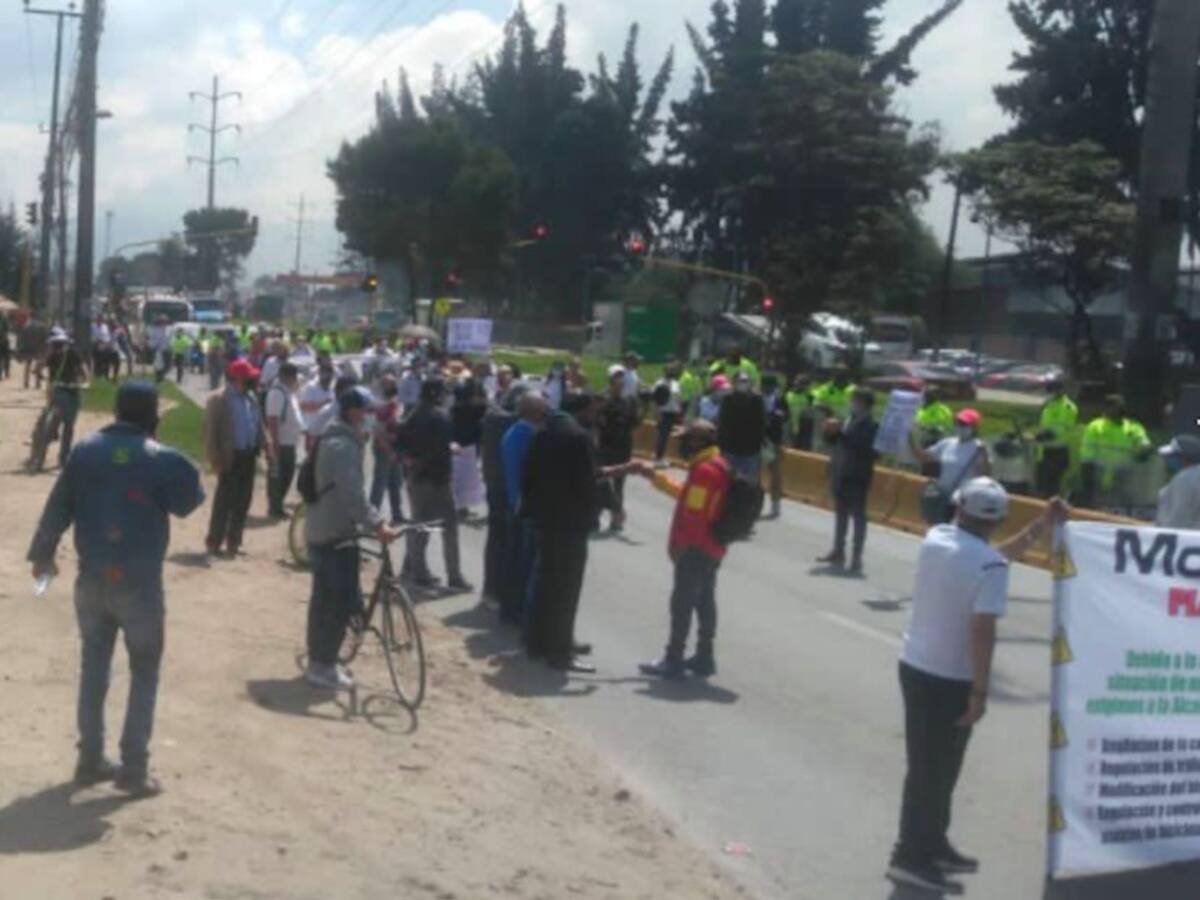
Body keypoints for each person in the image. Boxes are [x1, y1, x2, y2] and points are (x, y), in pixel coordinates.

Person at [27, 381, 205, 796]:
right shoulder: (161, 458)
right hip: (139, 584)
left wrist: (42, 554)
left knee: (94, 667)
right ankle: (133, 768)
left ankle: (90, 758)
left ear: (117, 411)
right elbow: (188, 500)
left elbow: (57, 507)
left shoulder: (84, 451)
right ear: (152, 417)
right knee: (144, 670)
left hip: (91, 578)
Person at [887, 479, 1065, 894]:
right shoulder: (988, 566)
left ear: (959, 508)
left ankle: (932, 844)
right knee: (932, 773)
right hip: (949, 679)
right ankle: (908, 858)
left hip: (916, 667)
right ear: (998, 519)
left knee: (937, 770)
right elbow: (982, 628)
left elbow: (990, 557)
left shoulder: (937, 539)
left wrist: (1040, 527)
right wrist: (980, 692)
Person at [524, 393, 633, 673]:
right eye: (594, 411)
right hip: (570, 525)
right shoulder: (578, 437)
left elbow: (530, 477)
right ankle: (560, 653)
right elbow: (588, 482)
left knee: (547, 583)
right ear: (582, 410)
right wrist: (612, 507)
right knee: (566, 590)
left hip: (546, 520)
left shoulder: (542, 433)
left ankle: (538, 642)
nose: (597, 417)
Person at [304, 386, 395, 691]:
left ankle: (320, 660)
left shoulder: (340, 439)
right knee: (336, 604)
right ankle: (323, 666)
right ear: (353, 412)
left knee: (324, 600)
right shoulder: (342, 447)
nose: (372, 417)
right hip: (335, 534)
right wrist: (377, 523)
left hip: (328, 529)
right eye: (368, 411)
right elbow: (353, 497)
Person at [639, 420, 731, 679]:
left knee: (682, 602)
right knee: (705, 600)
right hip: (713, 546)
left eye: (686, 439)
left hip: (696, 547)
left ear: (696, 442)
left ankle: (673, 657)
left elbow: (694, 515)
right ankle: (704, 656)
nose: (682, 445)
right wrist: (657, 479)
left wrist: (680, 546)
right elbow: (691, 497)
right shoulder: (718, 464)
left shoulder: (705, 471)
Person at [398, 378, 471, 591]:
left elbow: (401, 443)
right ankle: (453, 576)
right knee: (448, 527)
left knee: (419, 525)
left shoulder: (411, 414)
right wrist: (451, 448)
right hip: (437, 477)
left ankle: (413, 569)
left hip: (415, 477)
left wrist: (410, 461)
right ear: (436, 394)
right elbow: (440, 446)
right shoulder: (440, 416)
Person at [204, 358, 264, 558]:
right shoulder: (218, 400)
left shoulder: (251, 398)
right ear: (237, 378)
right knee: (224, 501)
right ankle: (214, 542)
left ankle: (234, 542)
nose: (252, 381)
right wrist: (215, 459)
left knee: (243, 501)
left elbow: (257, 424)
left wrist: (265, 444)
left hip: (248, 455)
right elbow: (211, 433)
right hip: (230, 456)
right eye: (248, 378)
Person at [817, 389, 879, 572]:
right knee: (840, 513)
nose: (852, 403)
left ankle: (857, 556)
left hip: (857, 475)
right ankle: (838, 550)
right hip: (840, 471)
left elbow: (863, 447)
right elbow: (835, 442)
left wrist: (841, 433)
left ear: (864, 403)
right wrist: (828, 431)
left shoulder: (872, 426)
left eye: (855, 400)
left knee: (858, 516)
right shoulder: (848, 420)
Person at [500, 390, 547, 626]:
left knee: (518, 559)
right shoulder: (526, 437)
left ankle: (511, 609)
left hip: (517, 505)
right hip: (523, 507)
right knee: (525, 562)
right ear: (534, 412)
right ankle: (520, 612)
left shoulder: (514, 433)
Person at [481, 384, 523, 605]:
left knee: (495, 538)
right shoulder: (510, 422)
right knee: (506, 541)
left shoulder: (491, 417)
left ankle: (491, 590)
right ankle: (499, 592)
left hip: (493, 483)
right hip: (505, 486)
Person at [910, 409, 992, 522]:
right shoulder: (947, 443)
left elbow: (984, 475)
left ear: (974, 427)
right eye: (958, 423)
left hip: (961, 499)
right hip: (942, 495)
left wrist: (984, 455)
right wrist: (911, 441)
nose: (960, 427)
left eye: (964, 424)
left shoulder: (978, 448)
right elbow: (925, 457)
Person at [32, 328, 89, 470]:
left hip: (70, 390)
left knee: (66, 427)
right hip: (61, 391)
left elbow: (83, 369)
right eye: (55, 343)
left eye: (59, 343)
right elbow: (38, 368)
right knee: (59, 426)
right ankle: (51, 457)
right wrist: (41, 371)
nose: (57, 346)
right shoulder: (53, 355)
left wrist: (85, 381)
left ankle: (59, 458)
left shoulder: (71, 353)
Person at [1079, 395, 1151, 509]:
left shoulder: (1133, 427)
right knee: (1099, 509)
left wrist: (1145, 448)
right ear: (1106, 409)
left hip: (1124, 476)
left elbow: (1143, 441)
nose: (1117, 411)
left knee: (1120, 508)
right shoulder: (1096, 426)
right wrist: (1087, 470)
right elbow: (1088, 450)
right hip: (1100, 476)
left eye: (1120, 408)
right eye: (1113, 408)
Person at [596, 365, 640, 531]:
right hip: (605, 446)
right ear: (610, 379)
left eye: (622, 376)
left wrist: (644, 408)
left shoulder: (629, 401)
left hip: (623, 447)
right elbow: (597, 421)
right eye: (616, 376)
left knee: (619, 485)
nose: (620, 379)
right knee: (601, 482)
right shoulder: (601, 399)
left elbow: (634, 423)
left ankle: (616, 518)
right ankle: (595, 515)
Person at [265, 363, 302, 519]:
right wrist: (275, 442)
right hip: (281, 443)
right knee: (278, 477)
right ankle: (275, 508)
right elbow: (273, 419)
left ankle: (278, 504)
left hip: (290, 442)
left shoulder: (288, 392)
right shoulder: (277, 393)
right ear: (288, 377)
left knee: (287, 475)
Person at [369, 374, 406, 525]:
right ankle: (372, 517)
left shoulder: (395, 403)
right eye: (388, 384)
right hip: (384, 448)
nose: (391, 387)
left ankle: (397, 514)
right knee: (380, 483)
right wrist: (388, 450)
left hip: (395, 448)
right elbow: (378, 431)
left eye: (393, 384)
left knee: (396, 482)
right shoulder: (380, 406)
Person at [717, 371, 766, 482]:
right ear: (734, 383)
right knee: (728, 482)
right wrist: (721, 444)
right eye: (740, 381)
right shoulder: (727, 399)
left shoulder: (757, 399)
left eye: (745, 381)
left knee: (748, 483)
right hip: (730, 448)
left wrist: (759, 442)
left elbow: (762, 423)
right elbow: (722, 422)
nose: (743, 384)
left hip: (751, 450)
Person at [1035, 381, 1078, 497]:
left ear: (1061, 390)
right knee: (1042, 485)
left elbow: (1060, 428)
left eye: (1054, 390)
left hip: (1058, 450)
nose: (1051, 393)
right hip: (1045, 449)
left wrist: (1041, 436)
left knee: (1053, 486)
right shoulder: (1050, 404)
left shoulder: (1067, 407)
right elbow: (1045, 424)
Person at [451, 378, 487, 517]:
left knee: (467, 478)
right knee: (459, 477)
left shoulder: (477, 408)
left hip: (470, 445)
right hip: (461, 444)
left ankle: (462, 506)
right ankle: (458, 506)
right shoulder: (460, 407)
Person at [761, 374, 790, 517]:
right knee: (754, 474)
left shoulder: (780, 400)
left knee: (776, 474)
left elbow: (786, 416)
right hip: (759, 440)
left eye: (771, 386)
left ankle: (775, 505)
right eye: (766, 385)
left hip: (774, 441)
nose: (769, 388)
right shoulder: (756, 398)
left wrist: (778, 415)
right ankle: (754, 503)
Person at [1156, 435, 1200, 529]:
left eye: (1172, 456)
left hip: (1184, 535)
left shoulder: (1184, 479)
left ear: (1184, 457)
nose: (1167, 460)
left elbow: (1178, 517)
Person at [913, 389, 955, 477]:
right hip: (921, 441)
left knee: (931, 470)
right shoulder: (923, 408)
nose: (923, 398)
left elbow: (939, 427)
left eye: (926, 396)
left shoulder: (941, 410)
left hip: (935, 442)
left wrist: (925, 426)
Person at [652, 362, 684, 468]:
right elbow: (656, 401)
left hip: (674, 413)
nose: (672, 372)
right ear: (665, 371)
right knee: (663, 437)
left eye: (673, 370)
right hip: (664, 413)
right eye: (670, 370)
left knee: (669, 437)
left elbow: (678, 398)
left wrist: (679, 412)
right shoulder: (659, 383)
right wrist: (657, 414)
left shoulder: (676, 383)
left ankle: (663, 457)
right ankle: (658, 459)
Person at [298, 362, 336, 451]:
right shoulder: (311, 387)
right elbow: (303, 406)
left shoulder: (331, 389)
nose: (328, 377)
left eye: (330, 375)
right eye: (325, 374)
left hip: (329, 432)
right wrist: (323, 403)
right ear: (320, 373)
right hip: (313, 432)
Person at [18, 315, 48, 389]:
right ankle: (37, 383)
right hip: (39, 349)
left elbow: (23, 338)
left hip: (28, 349)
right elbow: (45, 338)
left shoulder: (27, 326)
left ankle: (26, 383)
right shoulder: (42, 326)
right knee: (38, 366)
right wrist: (45, 349)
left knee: (27, 366)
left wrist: (21, 349)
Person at [786, 374, 814, 450]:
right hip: (790, 428)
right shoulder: (787, 395)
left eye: (803, 384)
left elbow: (811, 414)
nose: (800, 386)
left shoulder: (809, 397)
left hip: (804, 430)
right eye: (799, 383)